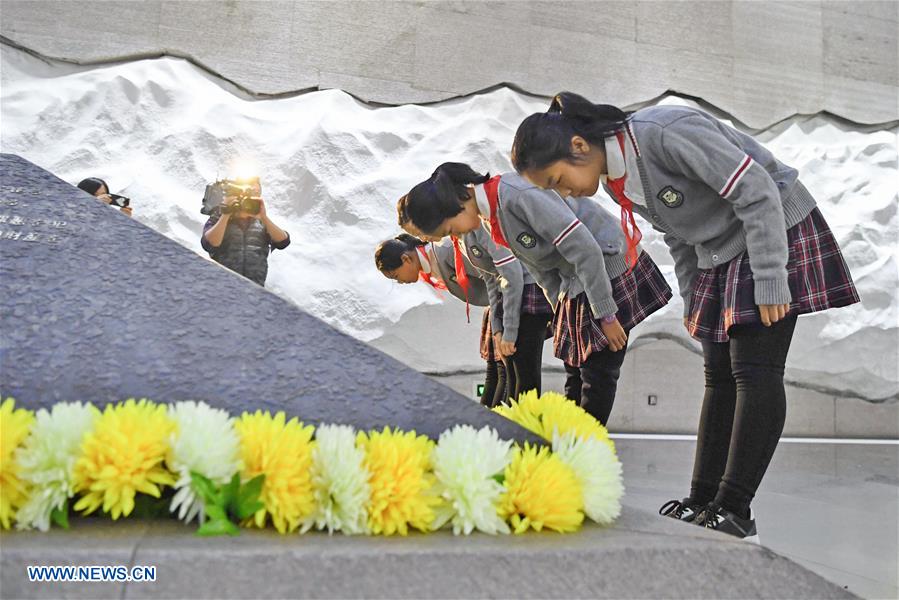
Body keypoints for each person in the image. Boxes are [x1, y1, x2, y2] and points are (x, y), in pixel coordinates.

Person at [510, 91, 860, 541]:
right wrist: (695, 301)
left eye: (559, 180)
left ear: (579, 146)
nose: (565, 193)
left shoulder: (662, 133)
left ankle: (734, 508)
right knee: (718, 373)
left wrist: (773, 277)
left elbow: (757, 191)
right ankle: (702, 500)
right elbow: (680, 235)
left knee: (755, 370)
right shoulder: (620, 178)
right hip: (722, 250)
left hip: (773, 230)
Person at [397, 163, 671, 425]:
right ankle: (566, 453)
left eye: (449, 229)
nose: (455, 234)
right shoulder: (492, 215)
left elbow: (586, 249)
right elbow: (539, 268)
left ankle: (583, 454)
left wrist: (607, 316)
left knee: (597, 375)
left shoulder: (516, 196)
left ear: (456, 203)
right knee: (575, 371)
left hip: (606, 269)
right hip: (575, 280)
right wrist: (560, 306)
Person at [374, 233, 506, 407]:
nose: (400, 282)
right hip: (496, 306)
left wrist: (500, 325)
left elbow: (497, 276)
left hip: (506, 302)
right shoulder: (434, 262)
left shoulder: (446, 252)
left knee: (505, 371)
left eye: (396, 276)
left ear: (406, 259)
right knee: (495, 370)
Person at [200, 178, 290, 287]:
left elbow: (283, 241)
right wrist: (226, 214)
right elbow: (209, 244)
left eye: (256, 193)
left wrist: (264, 218)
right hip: (223, 287)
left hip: (255, 289)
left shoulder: (261, 222)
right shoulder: (219, 217)